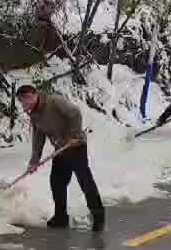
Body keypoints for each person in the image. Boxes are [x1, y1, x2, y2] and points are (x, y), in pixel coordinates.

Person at [16, 84, 105, 232]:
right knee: (57, 183)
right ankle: (61, 217)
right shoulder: (34, 114)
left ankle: (99, 216)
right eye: (20, 101)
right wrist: (34, 160)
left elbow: (75, 113)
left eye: (23, 100)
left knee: (85, 181)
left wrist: (74, 135)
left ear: (32, 96)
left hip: (76, 146)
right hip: (60, 149)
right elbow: (38, 137)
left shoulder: (54, 101)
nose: (22, 104)